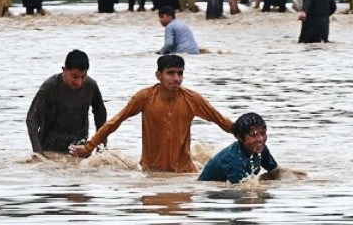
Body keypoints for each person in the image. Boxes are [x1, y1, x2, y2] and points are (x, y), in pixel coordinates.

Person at [70, 55, 233, 173]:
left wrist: (249, 137)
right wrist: (89, 147)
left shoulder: (192, 99)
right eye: (171, 73)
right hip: (151, 172)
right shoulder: (145, 97)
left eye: (180, 73)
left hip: (185, 174)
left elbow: (222, 121)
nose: (176, 78)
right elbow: (115, 121)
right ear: (159, 75)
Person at [26, 50, 108, 155]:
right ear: (64, 70)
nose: (79, 82)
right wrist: (38, 153)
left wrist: (101, 149)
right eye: (74, 77)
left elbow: (100, 115)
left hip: (78, 147)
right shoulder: (50, 86)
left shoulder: (90, 86)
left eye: (83, 77)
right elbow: (32, 118)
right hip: (50, 148)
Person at [198, 112, 280, 184]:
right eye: (253, 135)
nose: (260, 139)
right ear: (240, 138)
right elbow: (240, 191)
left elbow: (275, 171)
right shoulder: (236, 162)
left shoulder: (262, 149)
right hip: (208, 190)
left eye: (263, 133)